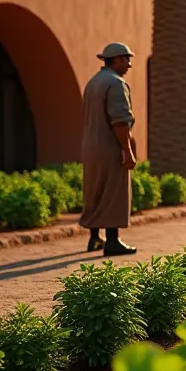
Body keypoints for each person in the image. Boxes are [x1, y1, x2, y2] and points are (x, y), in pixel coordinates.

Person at [80, 42, 139, 256]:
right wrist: (127, 150)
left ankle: (95, 238)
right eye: (126, 59)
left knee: (95, 190)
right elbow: (120, 121)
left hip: (90, 146)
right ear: (115, 60)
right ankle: (113, 241)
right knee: (114, 192)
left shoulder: (93, 82)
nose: (129, 64)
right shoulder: (116, 84)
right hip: (109, 146)